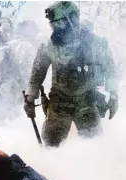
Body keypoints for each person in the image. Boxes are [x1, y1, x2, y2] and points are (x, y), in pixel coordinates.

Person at [24, 1, 118, 147]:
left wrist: (113, 96)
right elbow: (37, 74)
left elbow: (110, 68)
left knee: (94, 146)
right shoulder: (48, 46)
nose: (55, 28)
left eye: (59, 23)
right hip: (59, 104)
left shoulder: (95, 43)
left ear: (73, 19)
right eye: (53, 24)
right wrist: (30, 99)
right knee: (51, 145)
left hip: (87, 102)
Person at [0, 21, 40, 120]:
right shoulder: (28, 47)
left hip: (4, 93)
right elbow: (31, 74)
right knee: (18, 124)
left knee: (4, 123)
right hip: (20, 94)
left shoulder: (6, 47)